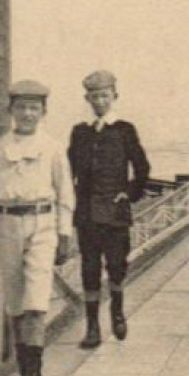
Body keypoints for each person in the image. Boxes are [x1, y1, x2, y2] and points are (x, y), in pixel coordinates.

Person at [0, 79, 76, 376]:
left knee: (35, 302)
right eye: (21, 108)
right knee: (16, 304)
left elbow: (65, 193)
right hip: (7, 226)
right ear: (11, 111)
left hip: (43, 224)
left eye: (34, 108)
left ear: (43, 112)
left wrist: (65, 233)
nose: (27, 114)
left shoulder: (54, 148)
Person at [67, 70, 152, 349]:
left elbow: (142, 168)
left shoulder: (124, 129)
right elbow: (68, 172)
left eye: (104, 95)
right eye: (94, 96)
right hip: (87, 214)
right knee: (89, 269)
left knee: (117, 266)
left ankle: (117, 311)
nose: (99, 101)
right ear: (87, 98)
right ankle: (92, 327)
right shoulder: (80, 132)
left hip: (115, 214)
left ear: (114, 96)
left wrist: (129, 193)